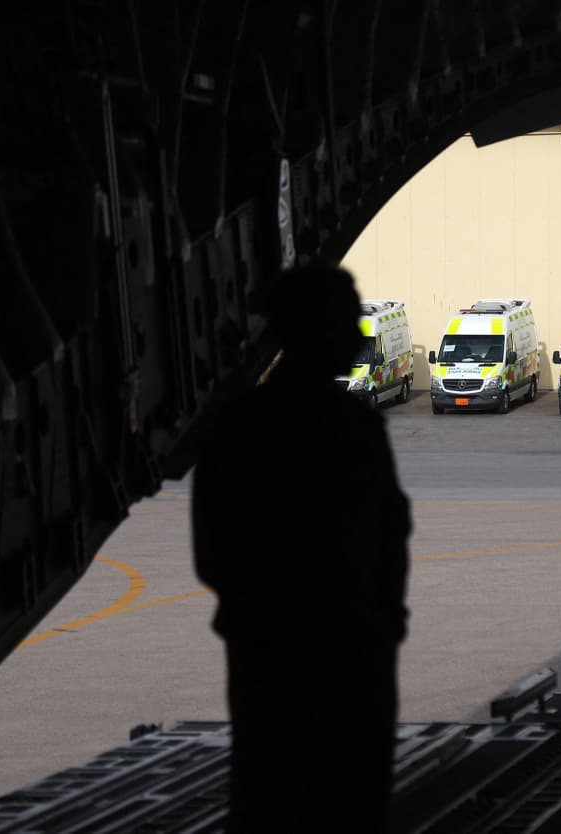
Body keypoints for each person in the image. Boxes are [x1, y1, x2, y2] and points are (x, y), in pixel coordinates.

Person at [191, 263, 411, 833]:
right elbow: (389, 533)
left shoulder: (238, 423)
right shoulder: (351, 429)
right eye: (346, 324)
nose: (360, 339)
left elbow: (212, 548)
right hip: (341, 652)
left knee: (270, 794)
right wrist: (377, 618)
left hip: (273, 651)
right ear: (316, 331)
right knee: (340, 800)